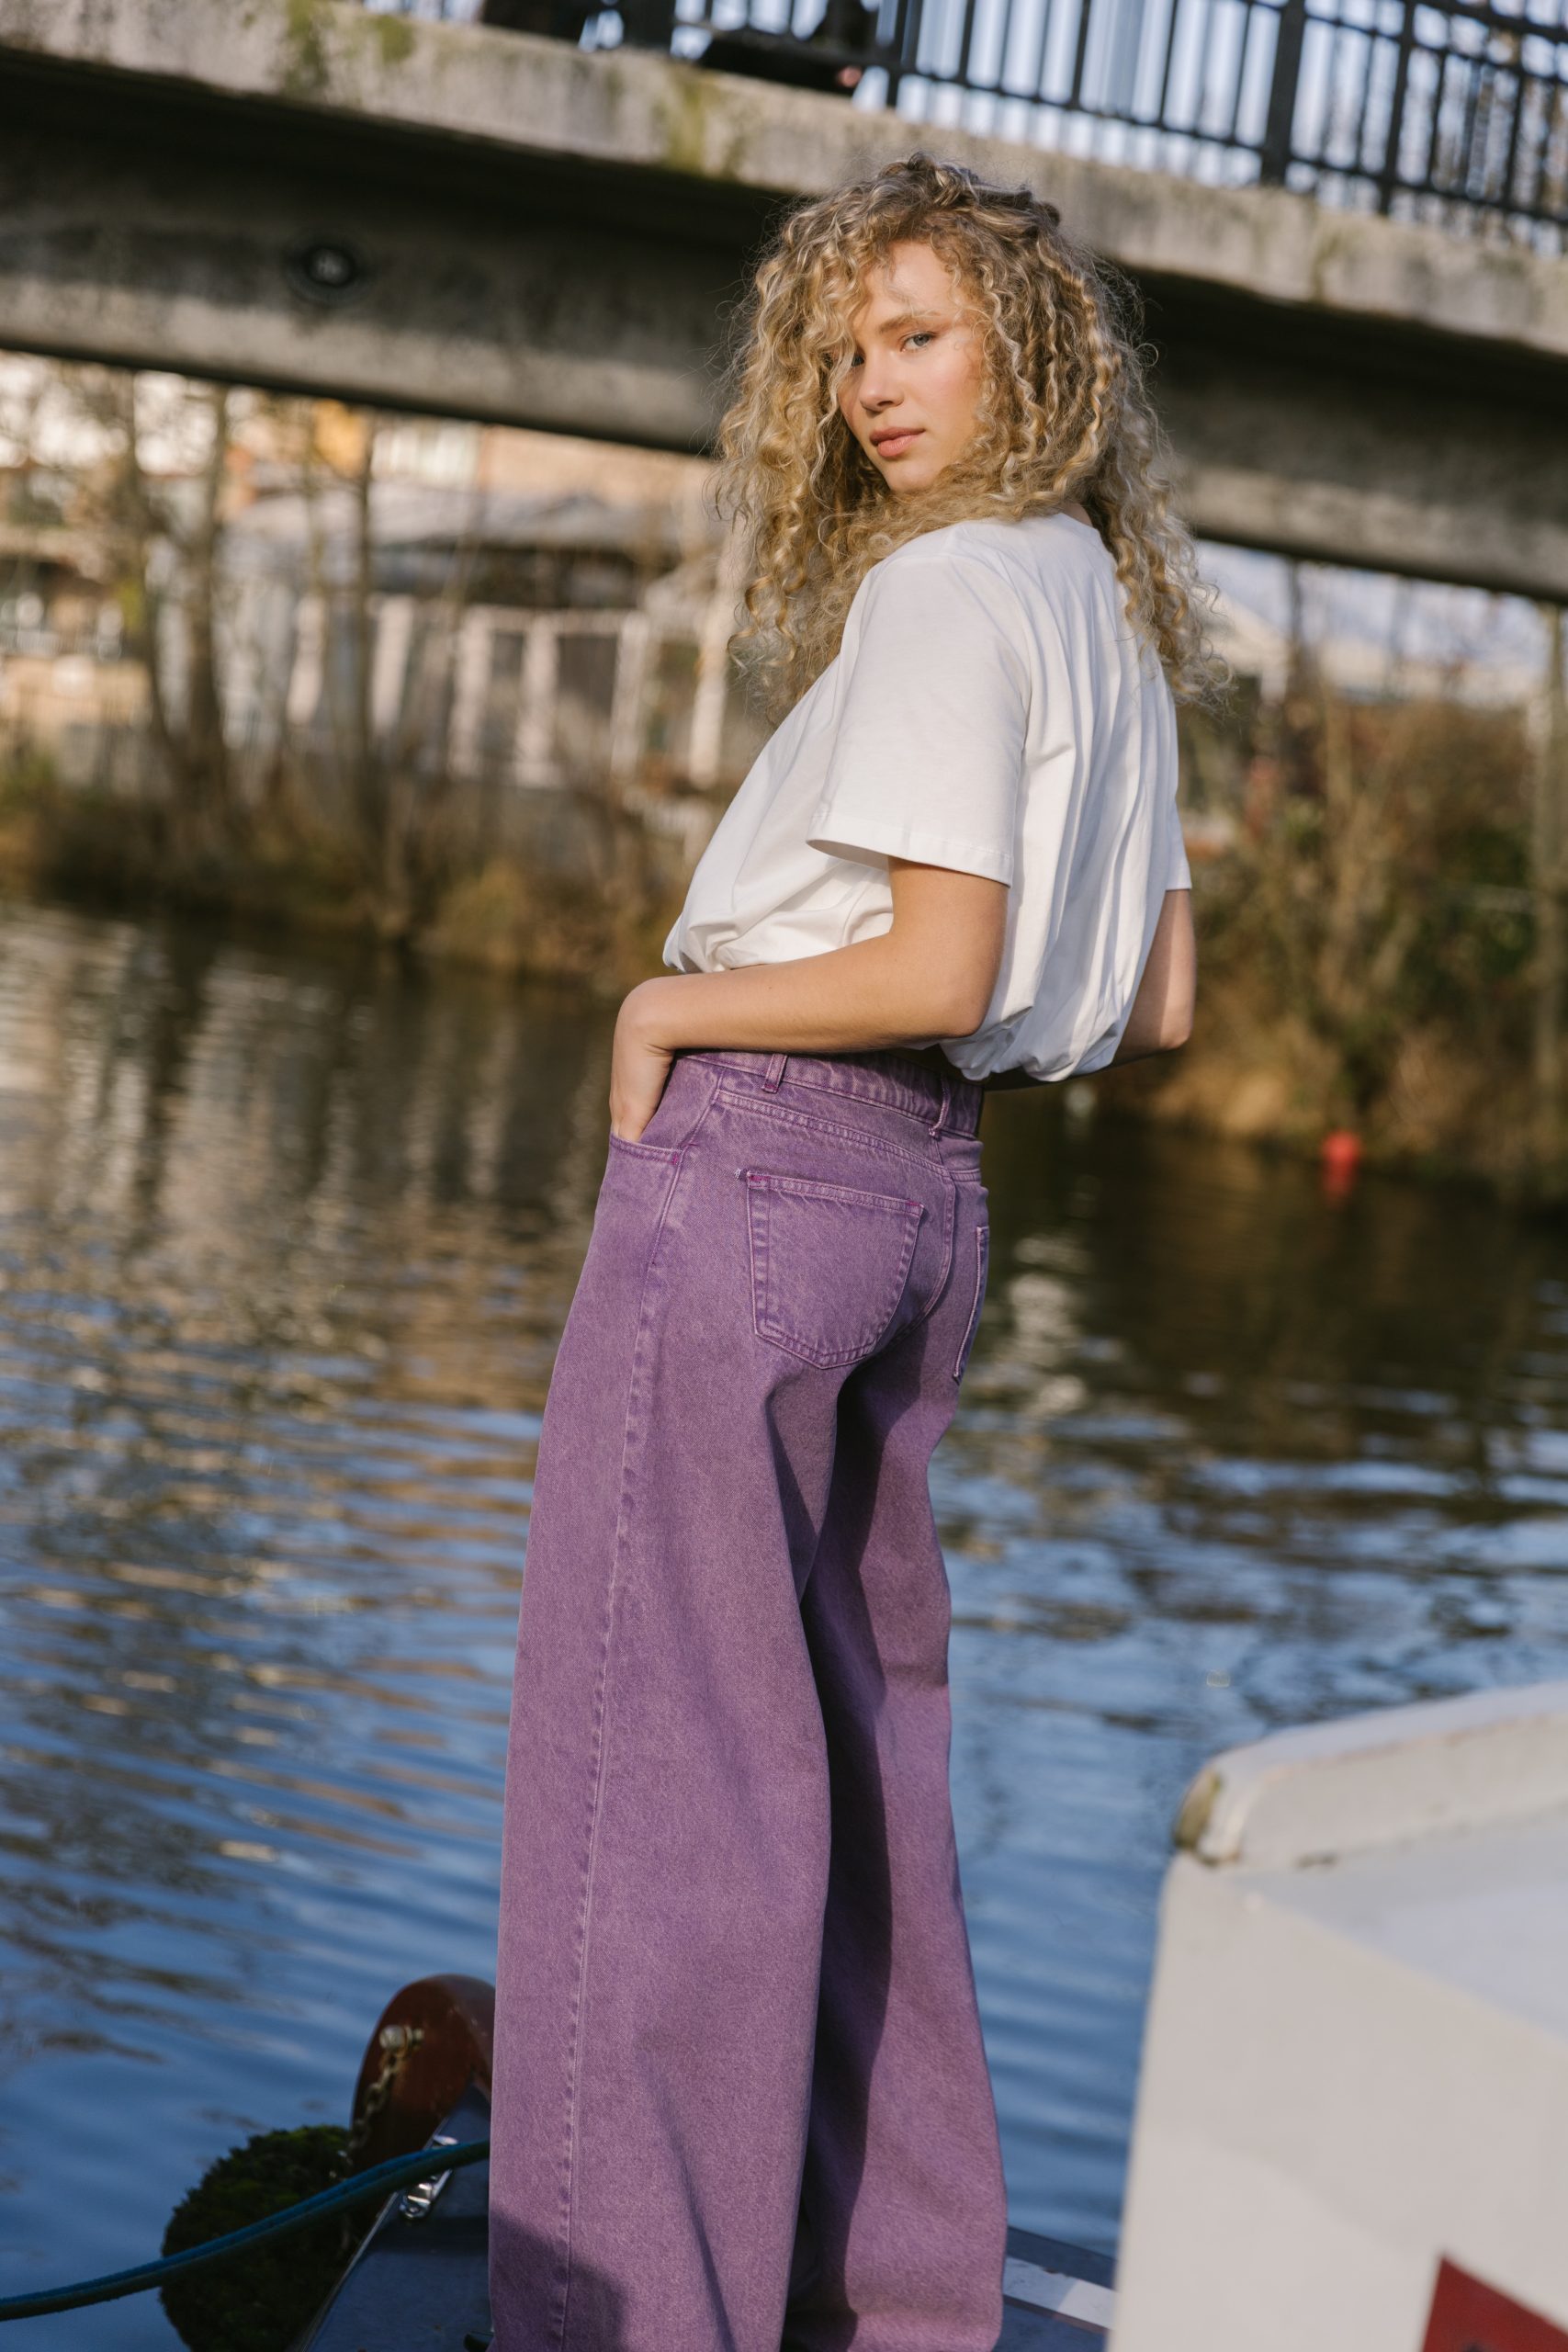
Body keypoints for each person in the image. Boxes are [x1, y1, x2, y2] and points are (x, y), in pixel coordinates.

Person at [488, 152, 1209, 2352]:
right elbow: (1159, 1002)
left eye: (913, 336)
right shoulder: (1106, 614)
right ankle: (885, 2308)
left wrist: (663, 1006)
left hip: (763, 1169)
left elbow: (934, 955)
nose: (867, 388)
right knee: (858, 1769)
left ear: (1029, 351)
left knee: (647, 1772)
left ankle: (622, 2319)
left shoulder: (944, 589)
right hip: (925, 1202)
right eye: (842, 352)